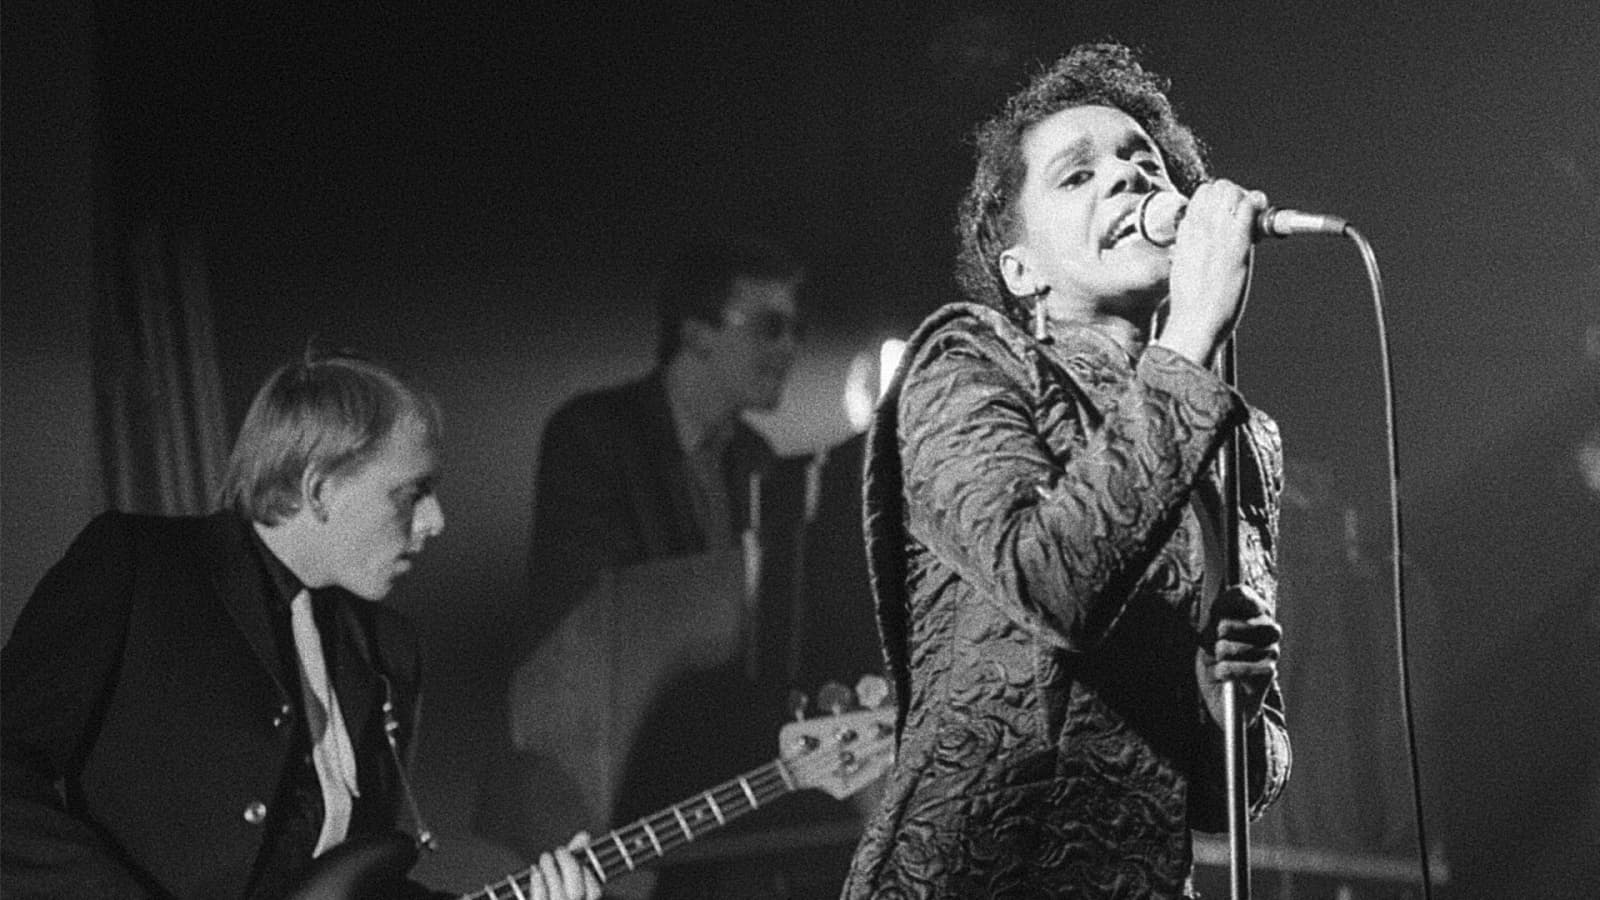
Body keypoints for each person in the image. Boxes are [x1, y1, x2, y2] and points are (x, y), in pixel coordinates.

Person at [841, 43, 1291, 899]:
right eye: (1076, 176)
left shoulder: (1236, 438)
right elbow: (1047, 579)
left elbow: (1237, 790)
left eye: (1143, 162)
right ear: (1021, 271)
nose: (1126, 178)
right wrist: (1189, 335)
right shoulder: (965, 362)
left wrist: (1223, 702)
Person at [1, 352, 600, 900]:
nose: (436, 520)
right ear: (318, 488)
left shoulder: (387, 650)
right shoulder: (140, 567)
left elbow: (357, 883)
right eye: (412, 493)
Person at [480, 236, 826, 899]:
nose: (790, 348)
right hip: (591, 786)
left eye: (799, 329)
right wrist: (750, 580)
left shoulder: (757, 456)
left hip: (709, 789)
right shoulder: (592, 433)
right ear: (695, 331)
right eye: (771, 326)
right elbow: (585, 611)